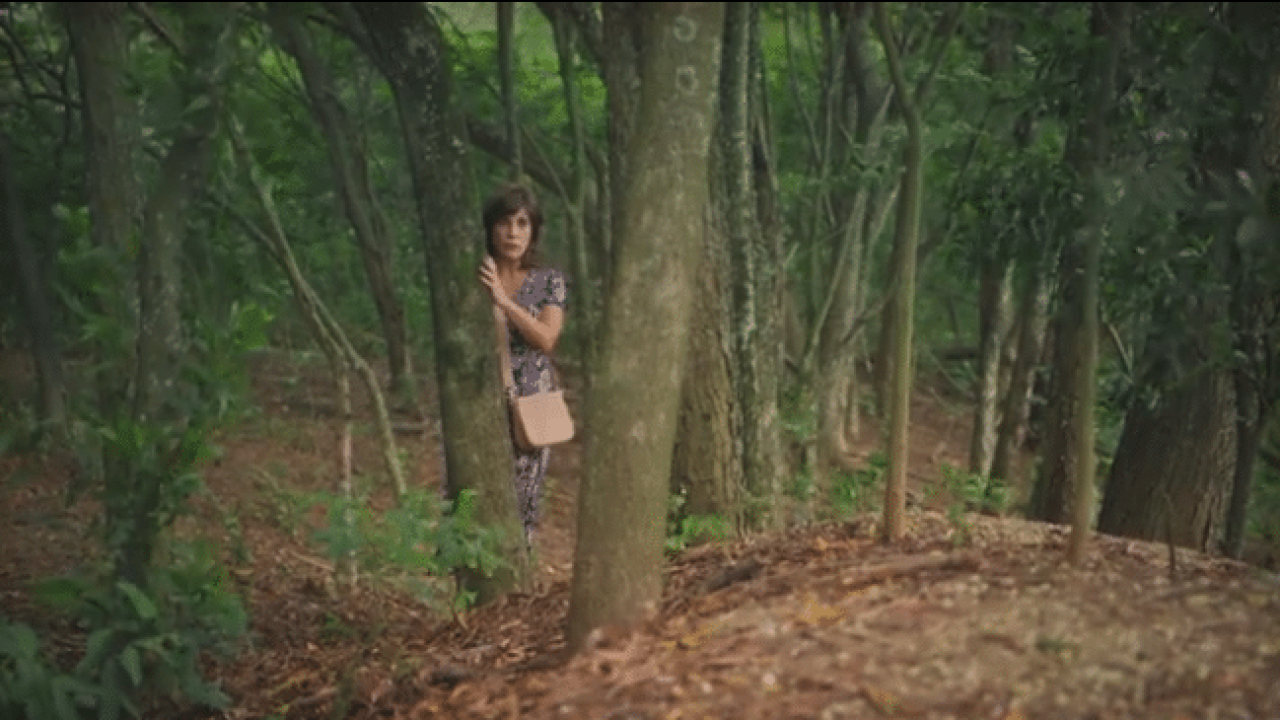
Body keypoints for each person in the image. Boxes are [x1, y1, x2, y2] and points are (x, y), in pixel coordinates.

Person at [476, 183, 568, 547]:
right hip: (478, 396)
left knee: (523, 501)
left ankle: (517, 574)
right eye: (503, 223)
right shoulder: (475, 274)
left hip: (530, 401)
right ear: (490, 228)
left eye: (522, 223)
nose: (512, 233)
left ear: (533, 230)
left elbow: (546, 338)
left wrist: (502, 300)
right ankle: (458, 570)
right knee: (464, 490)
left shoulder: (549, 281)